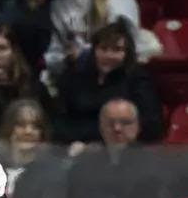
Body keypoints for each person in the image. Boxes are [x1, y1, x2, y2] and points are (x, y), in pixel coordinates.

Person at [52, 19, 162, 147]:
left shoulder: (138, 79)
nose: (108, 55)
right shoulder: (74, 75)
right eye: (103, 49)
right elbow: (60, 122)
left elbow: (150, 125)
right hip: (76, 147)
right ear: (94, 50)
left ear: (127, 54)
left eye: (117, 50)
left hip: (125, 150)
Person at [65, 97, 168, 198]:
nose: (117, 128)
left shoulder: (153, 163)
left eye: (125, 122)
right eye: (110, 122)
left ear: (137, 126)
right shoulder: (84, 162)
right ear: (100, 126)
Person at [43, 0, 143, 78]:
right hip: (76, 81)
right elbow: (52, 57)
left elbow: (132, 49)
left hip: (118, 80)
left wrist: (84, 56)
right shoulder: (57, 7)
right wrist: (67, 60)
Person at [0, 99, 68, 198]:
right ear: (8, 128)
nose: (28, 131)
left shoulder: (52, 172)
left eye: (35, 126)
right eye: (21, 125)